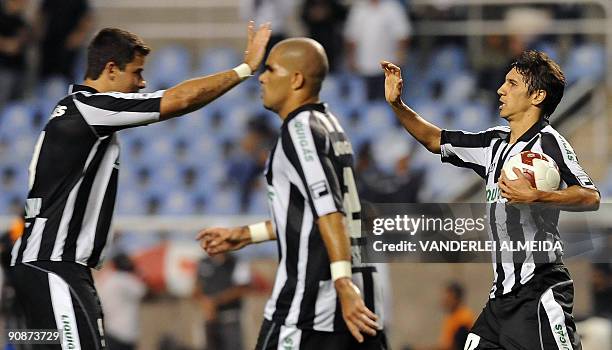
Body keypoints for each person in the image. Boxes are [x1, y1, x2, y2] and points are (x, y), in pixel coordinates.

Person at [9, 22, 271, 350]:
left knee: (43, 343)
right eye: (137, 72)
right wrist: (245, 68)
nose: (142, 82)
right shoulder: (90, 109)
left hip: (41, 265)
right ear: (111, 69)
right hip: (55, 265)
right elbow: (180, 99)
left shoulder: (72, 110)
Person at [382, 50, 600, 349]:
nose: (501, 89)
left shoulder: (550, 142)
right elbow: (434, 139)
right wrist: (397, 105)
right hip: (500, 299)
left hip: (538, 290)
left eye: (511, 84)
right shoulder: (492, 143)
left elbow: (590, 196)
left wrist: (539, 195)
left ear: (536, 96)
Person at [197, 38, 387, 349]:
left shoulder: (300, 132)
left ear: (296, 79)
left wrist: (342, 282)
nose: (262, 76)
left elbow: (330, 212)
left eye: (271, 69)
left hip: (309, 306)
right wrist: (247, 234)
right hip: (356, 299)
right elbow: (310, 215)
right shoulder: (328, 124)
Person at [344, 0, 411, 101]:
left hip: (388, 67)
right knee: (366, 104)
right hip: (364, 66)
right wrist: (351, 58)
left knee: (390, 103)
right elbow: (351, 37)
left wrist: (400, 55)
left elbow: (403, 34)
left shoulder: (392, 7)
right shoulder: (358, 8)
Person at [195, 252, 252, 350]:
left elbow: (242, 288)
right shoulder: (204, 262)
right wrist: (205, 304)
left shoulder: (237, 262)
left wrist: (215, 302)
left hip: (230, 318)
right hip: (210, 320)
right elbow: (197, 287)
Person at [97, 253, 147, 350]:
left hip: (110, 331)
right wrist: (138, 273)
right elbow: (143, 291)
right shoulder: (123, 279)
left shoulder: (105, 279)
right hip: (124, 334)